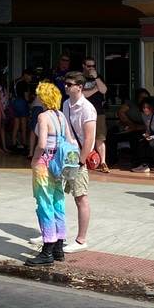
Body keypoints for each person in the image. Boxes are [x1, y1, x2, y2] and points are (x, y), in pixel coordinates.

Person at [25, 80, 76, 265]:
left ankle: (47, 250)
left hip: (44, 163)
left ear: (44, 97)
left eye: (39, 94)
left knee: (44, 204)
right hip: (59, 165)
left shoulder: (43, 117)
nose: (37, 97)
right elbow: (70, 140)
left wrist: (33, 160)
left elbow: (42, 144)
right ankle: (59, 248)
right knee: (58, 202)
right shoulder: (61, 115)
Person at [61, 71, 96, 251]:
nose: (66, 86)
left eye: (69, 84)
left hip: (78, 157)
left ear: (79, 87)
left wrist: (81, 162)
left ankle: (81, 239)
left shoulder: (87, 108)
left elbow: (89, 139)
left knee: (80, 196)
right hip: (67, 155)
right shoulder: (66, 104)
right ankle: (56, 232)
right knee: (57, 193)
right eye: (65, 84)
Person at [106, 88, 149, 167]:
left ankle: (137, 162)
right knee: (111, 134)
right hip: (126, 127)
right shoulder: (131, 104)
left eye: (145, 98)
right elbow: (120, 112)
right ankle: (111, 160)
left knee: (137, 138)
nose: (143, 100)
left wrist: (135, 127)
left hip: (139, 130)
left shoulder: (148, 108)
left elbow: (148, 125)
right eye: (141, 98)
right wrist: (129, 124)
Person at [81, 57, 109, 171]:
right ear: (83, 66)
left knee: (100, 137)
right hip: (84, 112)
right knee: (84, 137)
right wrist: (95, 89)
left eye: (93, 66)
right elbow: (83, 94)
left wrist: (96, 78)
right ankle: (84, 160)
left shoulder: (99, 77)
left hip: (98, 111)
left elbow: (104, 90)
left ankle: (103, 162)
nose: (91, 68)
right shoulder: (80, 78)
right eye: (89, 66)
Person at [10, 67, 34, 155]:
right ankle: (24, 144)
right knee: (23, 124)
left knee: (16, 124)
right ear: (25, 75)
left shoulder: (15, 82)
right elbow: (26, 97)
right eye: (30, 76)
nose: (31, 78)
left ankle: (13, 143)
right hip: (22, 103)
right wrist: (31, 99)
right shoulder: (24, 83)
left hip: (14, 102)